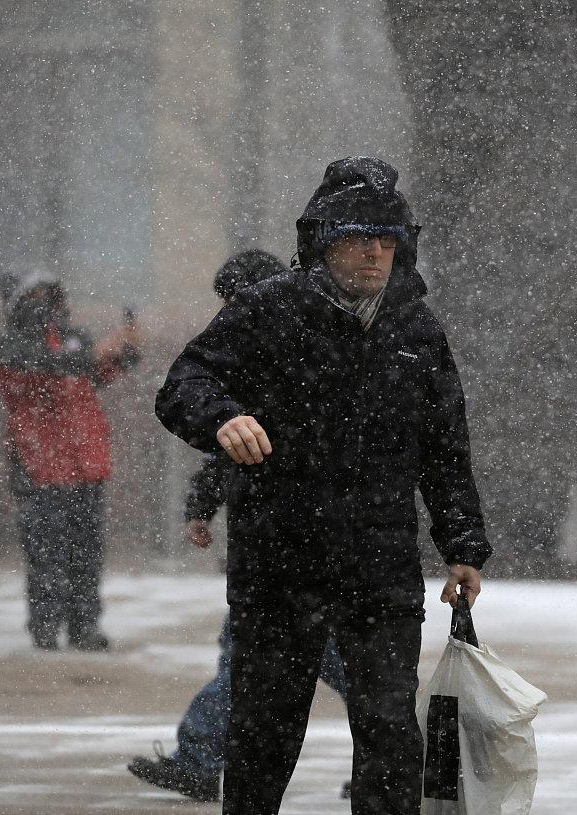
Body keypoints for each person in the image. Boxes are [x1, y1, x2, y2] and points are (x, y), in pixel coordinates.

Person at [155, 156, 491, 815]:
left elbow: (446, 449)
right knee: (263, 736)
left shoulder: (418, 332)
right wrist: (223, 418)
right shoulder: (267, 311)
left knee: (391, 735)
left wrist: (465, 546)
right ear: (322, 242)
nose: (374, 252)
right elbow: (182, 384)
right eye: (359, 237)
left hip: (381, 568)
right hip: (280, 564)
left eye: (387, 239)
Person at [129, 250, 350, 802]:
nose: (228, 316)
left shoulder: (283, 354)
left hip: (300, 549)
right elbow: (229, 444)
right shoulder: (285, 346)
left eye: (232, 304)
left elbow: (239, 445)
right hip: (283, 546)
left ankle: (203, 755)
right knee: (324, 666)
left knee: (279, 661)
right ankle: (397, 759)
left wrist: (202, 508)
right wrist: (201, 508)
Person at [0, 269, 140, 651]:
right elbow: (48, 368)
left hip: (86, 463)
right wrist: (93, 355)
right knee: (46, 553)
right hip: (39, 464)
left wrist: (122, 355)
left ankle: (84, 625)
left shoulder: (73, 339)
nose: (52, 306)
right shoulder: (10, 346)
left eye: (54, 297)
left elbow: (92, 376)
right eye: (39, 297)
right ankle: (45, 627)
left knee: (85, 553)